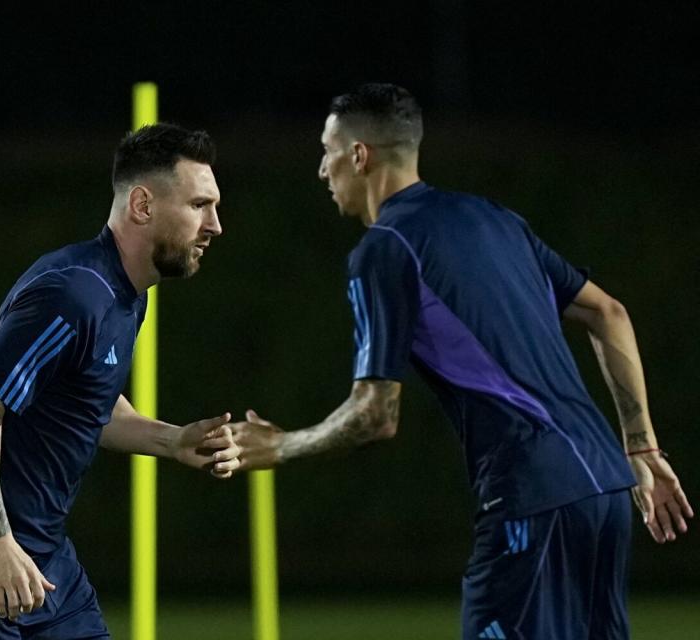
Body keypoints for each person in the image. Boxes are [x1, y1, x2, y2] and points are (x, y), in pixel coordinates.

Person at [230, 83, 693, 640]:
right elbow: (610, 313)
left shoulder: (385, 248)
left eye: (327, 154)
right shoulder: (495, 219)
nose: (323, 172)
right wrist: (641, 445)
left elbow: (375, 413)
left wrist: (280, 446)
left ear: (358, 155)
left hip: (533, 492)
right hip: (607, 490)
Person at [0, 123, 241, 640]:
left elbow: (90, 403)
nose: (215, 225)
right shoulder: (75, 293)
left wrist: (172, 440)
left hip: (47, 565)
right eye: (199, 205)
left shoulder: (128, 296)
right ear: (143, 205)